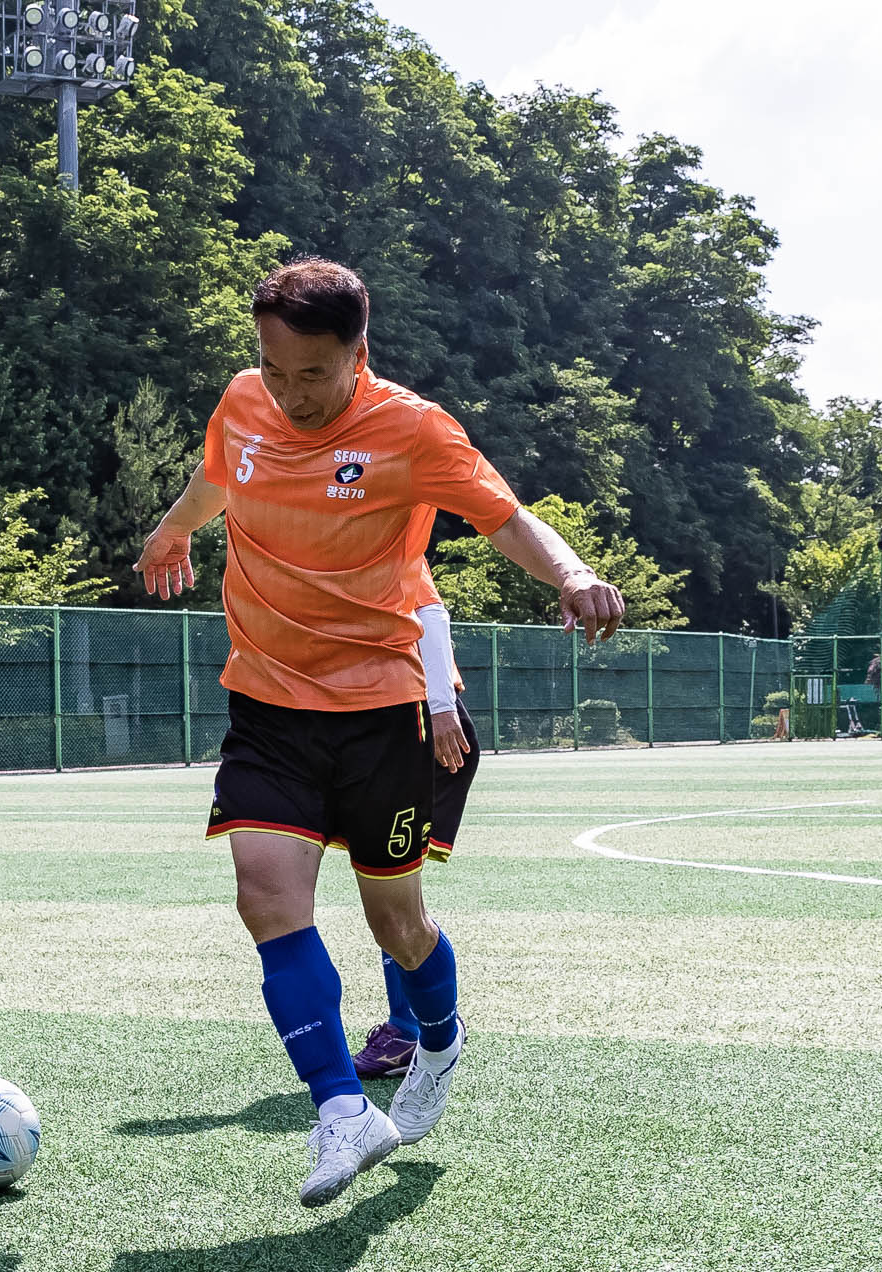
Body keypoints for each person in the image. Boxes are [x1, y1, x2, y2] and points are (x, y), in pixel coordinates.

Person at [135, 257, 623, 1207]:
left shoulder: (411, 429)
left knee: (395, 925)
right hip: (270, 704)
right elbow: (214, 480)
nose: (290, 394)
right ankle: (341, 1110)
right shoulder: (244, 402)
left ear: (360, 353)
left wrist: (570, 574)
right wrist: (170, 533)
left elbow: (508, 518)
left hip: (381, 710)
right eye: (275, 371)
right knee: (265, 896)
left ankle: (439, 1034)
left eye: (312, 375)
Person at [350, 589, 479, 1082]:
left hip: (420, 728)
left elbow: (431, 616)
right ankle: (413, 1025)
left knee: (394, 893)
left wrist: (441, 708)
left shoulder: (392, 538)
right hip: (383, 728)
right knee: (388, 893)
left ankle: (412, 1029)